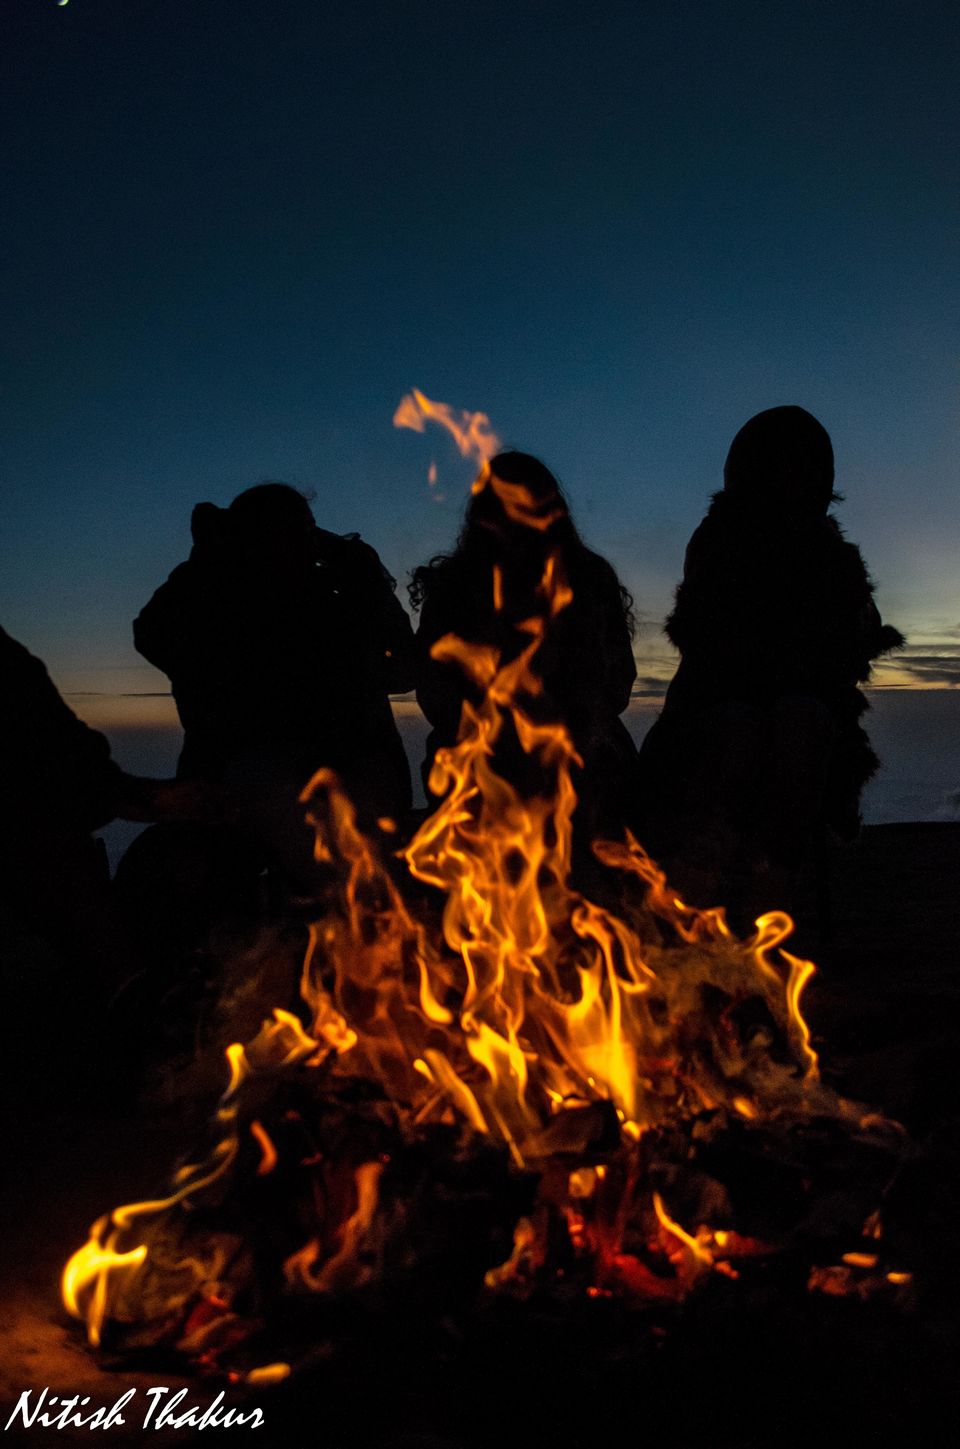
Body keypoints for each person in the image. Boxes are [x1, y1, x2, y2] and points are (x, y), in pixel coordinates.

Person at [637, 405, 903, 929]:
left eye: (801, 469)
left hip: (802, 708)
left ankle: (769, 889)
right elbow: (708, 637)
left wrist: (835, 642)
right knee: (742, 731)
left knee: (800, 723)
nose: (791, 480)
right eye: (781, 466)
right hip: (718, 703)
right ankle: (708, 883)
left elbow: (859, 629)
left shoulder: (829, 551)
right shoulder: (718, 540)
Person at [133, 484, 415, 892]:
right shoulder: (217, 610)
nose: (308, 543)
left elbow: (402, 670)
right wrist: (210, 554)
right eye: (294, 530)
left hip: (351, 808)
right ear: (253, 539)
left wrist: (370, 585)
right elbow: (156, 634)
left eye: (310, 530)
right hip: (245, 812)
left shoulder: (331, 605)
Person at [409, 451, 639, 844]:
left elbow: (617, 682)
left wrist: (561, 725)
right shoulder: (455, 587)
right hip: (474, 754)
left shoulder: (588, 579)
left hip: (582, 748)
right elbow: (434, 690)